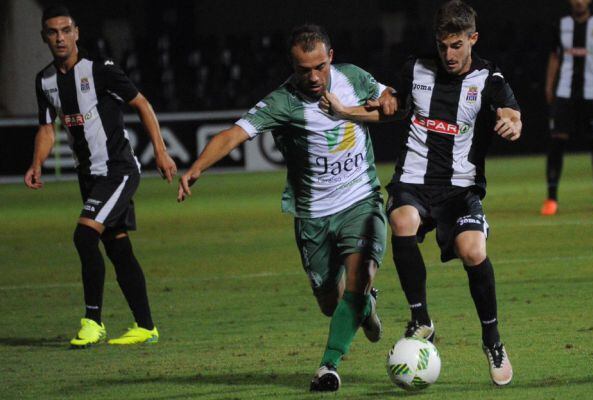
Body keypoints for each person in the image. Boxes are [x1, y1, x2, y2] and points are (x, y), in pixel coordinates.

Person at [177, 24, 391, 392]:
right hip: (313, 216)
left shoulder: (353, 78)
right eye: (303, 69)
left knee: (360, 276)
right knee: (329, 301)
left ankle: (328, 366)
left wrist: (389, 99)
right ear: (292, 67)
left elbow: (391, 97)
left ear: (331, 58)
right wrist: (196, 168)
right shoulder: (282, 103)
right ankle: (365, 308)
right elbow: (232, 134)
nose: (313, 77)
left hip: (362, 201)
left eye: (319, 67)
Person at [321, 0, 521, 386]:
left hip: (460, 190)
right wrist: (348, 112)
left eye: (457, 45)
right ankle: (420, 317)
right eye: (443, 45)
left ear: (472, 39)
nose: (449, 54)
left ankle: (492, 340)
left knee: (474, 251)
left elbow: (511, 113)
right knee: (401, 220)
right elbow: (390, 107)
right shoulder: (415, 68)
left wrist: (512, 124)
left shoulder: (488, 77)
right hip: (413, 181)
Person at [26, 5, 177, 347]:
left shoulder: (100, 71)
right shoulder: (45, 80)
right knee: (118, 248)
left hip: (118, 171)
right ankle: (146, 327)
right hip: (89, 176)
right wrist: (37, 163)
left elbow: (142, 104)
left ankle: (92, 321)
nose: (60, 37)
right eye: (53, 32)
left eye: (66, 30)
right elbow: (47, 128)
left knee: (84, 236)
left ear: (77, 33)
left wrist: (162, 151)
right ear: (44, 37)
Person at [541, 0, 593, 215]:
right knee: (557, 141)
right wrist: (549, 86)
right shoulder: (560, 25)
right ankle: (551, 199)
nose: (579, 1)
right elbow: (554, 56)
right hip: (565, 93)